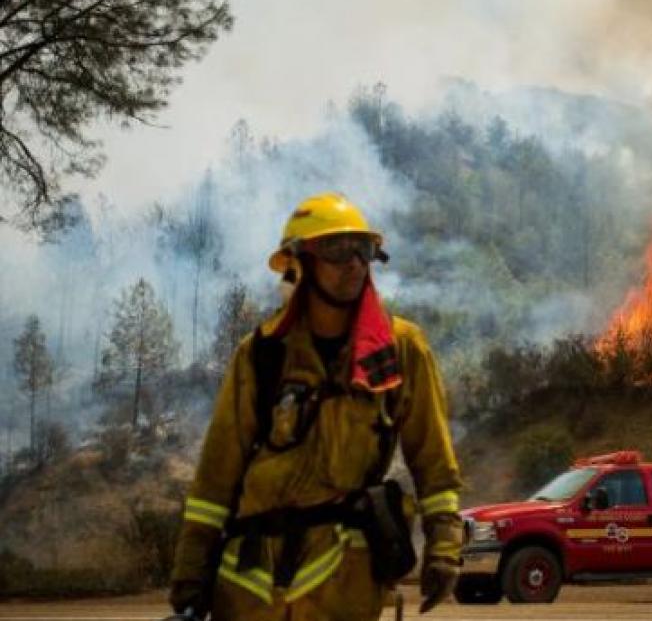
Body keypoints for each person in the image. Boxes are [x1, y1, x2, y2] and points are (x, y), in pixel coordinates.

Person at [168, 193, 463, 620]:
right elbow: (217, 476)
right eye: (336, 251)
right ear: (299, 263)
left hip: (343, 578)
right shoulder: (262, 354)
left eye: (362, 250)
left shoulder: (400, 350)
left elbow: (434, 462)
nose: (354, 263)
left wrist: (445, 547)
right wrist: (191, 569)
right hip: (252, 582)